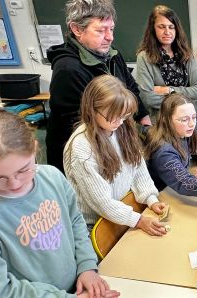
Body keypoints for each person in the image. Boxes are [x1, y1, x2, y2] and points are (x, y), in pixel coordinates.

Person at [0, 109, 119, 298]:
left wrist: (87, 267)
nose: (14, 184)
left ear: (35, 148)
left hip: (77, 287)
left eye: (23, 170)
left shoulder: (52, 176)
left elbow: (75, 221)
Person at [47, 0, 151, 173]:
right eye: (101, 30)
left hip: (111, 137)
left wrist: (144, 119)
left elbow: (131, 90)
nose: (110, 36)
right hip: (84, 155)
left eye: (111, 29)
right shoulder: (68, 70)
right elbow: (81, 123)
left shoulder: (112, 54)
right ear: (77, 29)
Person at [64, 75, 168, 236]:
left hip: (123, 214)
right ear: (92, 109)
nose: (120, 121)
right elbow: (102, 202)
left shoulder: (120, 128)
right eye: (113, 116)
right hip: (97, 227)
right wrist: (138, 220)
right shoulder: (81, 147)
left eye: (124, 115)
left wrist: (151, 199)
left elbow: (137, 167)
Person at [133, 5, 197, 121]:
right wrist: (185, 99)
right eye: (161, 27)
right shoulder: (144, 57)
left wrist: (169, 90)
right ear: (153, 29)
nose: (167, 32)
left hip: (190, 121)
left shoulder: (186, 54)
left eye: (171, 27)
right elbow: (147, 98)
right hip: (163, 123)